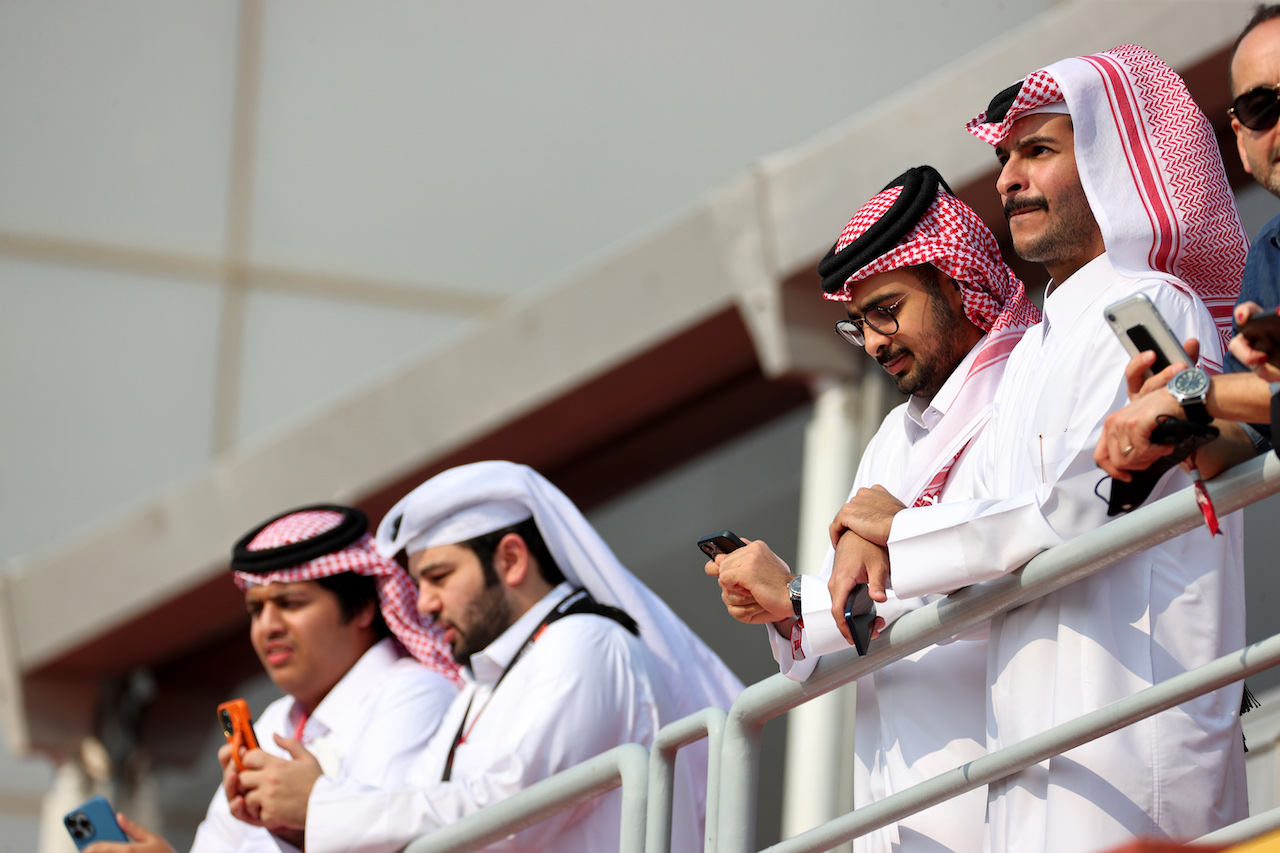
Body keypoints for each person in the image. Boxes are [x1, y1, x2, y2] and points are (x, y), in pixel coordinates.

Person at [828, 46, 1249, 851]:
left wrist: (898, 528)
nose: (1009, 178)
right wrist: (871, 528)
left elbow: (1074, 507)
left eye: (1040, 150)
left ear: (1109, 161)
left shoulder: (1154, 304)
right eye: (1004, 157)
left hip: (1137, 744)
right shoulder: (1030, 358)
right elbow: (978, 521)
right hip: (1026, 761)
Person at [707, 165, 1040, 852]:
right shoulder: (891, 440)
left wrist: (803, 597)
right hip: (900, 813)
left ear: (953, 280)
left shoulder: (1028, 387)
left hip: (1016, 791)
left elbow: (1016, 558)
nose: (877, 341)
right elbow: (850, 618)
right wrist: (785, 608)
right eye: (859, 325)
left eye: (887, 309)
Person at [220, 461, 742, 853]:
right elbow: (417, 806)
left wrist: (321, 805)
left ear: (511, 559)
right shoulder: (483, 687)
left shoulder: (584, 644)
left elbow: (502, 817)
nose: (422, 603)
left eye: (439, 577)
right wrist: (297, 819)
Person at [86, 504, 461, 853]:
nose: (267, 627)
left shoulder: (415, 692)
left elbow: (380, 843)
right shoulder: (272, 722)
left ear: (363, 607)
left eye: (290, 604)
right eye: (256, 609)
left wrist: (308, 814)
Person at [1096, 5, 1280, 475]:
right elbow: (1245, 438)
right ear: (1240, 139)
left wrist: (1197, 392)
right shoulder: (1271, 253)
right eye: (1262, 108)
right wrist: (1175, 426)